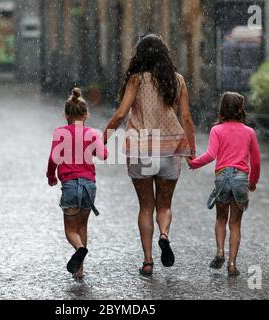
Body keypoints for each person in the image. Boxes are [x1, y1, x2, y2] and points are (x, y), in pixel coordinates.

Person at [103, 34, 196, 276]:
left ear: (139, 55)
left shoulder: (136, 80)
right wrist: (191, 151)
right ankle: (164, 234)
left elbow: (121, 114)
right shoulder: (177, 81)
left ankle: (147, 261)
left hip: (141, 149)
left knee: (146, 207)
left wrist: (104, 136)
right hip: (170, 149)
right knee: (164, 205)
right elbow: (186, 118)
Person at [188, 92, 261, 276]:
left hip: (222, 178)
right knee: (235, 224)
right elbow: (256, 161)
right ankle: (232, 264)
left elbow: (211, 155)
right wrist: (252, 182)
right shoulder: (249, 132)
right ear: (240, 109)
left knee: (221, 219)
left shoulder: (216, 130)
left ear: (222, 109)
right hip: (240, 179)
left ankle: (220, 251)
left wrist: (194, 163)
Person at [47, 88, 109, 280]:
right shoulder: (92, 133)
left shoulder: (60, 133)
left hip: (71, 185)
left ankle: (80, 249)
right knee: (82, 226)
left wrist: (51, 176)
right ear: (86, 115)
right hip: (89, 186)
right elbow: (103, 155)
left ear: (66, 115)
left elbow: (53, 159)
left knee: (70, 230)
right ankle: (80, 269)